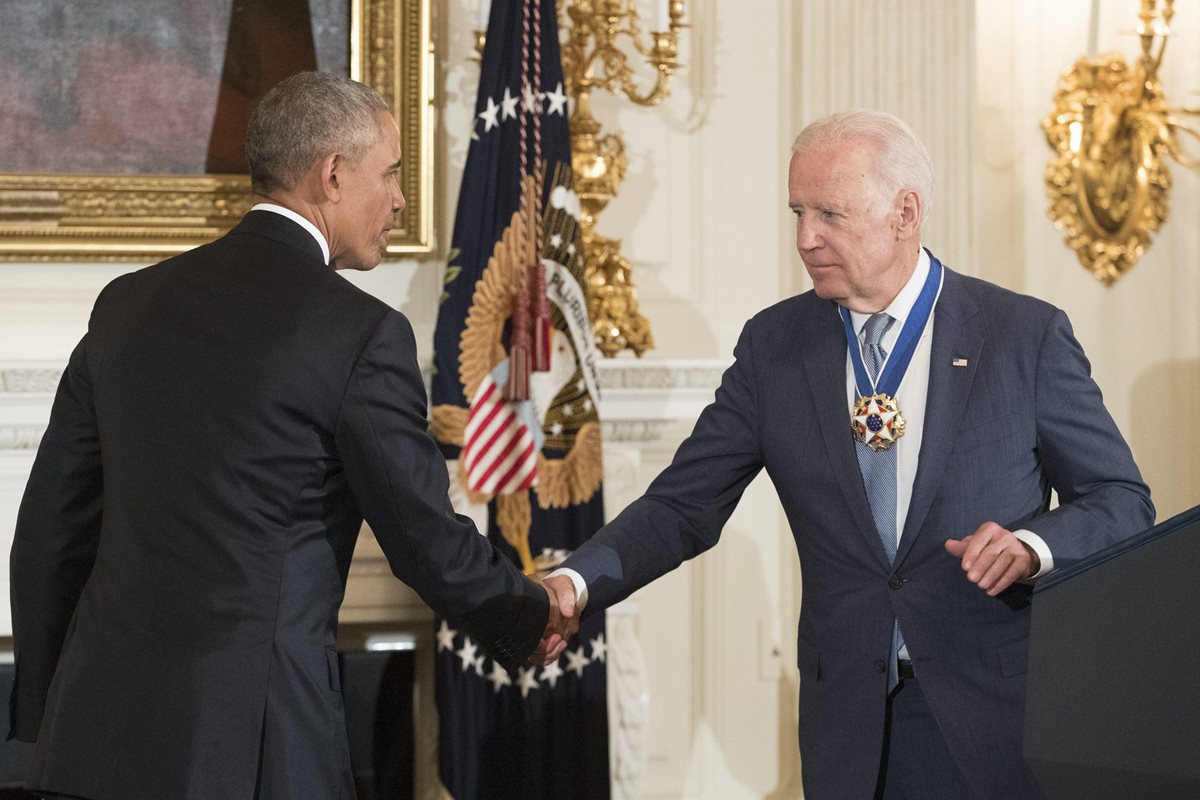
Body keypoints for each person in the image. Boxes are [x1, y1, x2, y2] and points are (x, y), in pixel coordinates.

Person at [544, 110, 1154, 800]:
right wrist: (575, 583)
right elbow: (682, 505)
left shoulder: (1023, 335)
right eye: (797, 212)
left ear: (905, 213)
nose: (806, 238)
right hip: (851, 732)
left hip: (997, 722)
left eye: (830, 213)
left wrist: (1030, 546)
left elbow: (1121, 501)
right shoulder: (774, 347)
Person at [9, 71, 572, 800]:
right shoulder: (359, 333)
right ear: (333, 175)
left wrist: (40, 722)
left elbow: (50, 537)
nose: (400, 198)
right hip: (257, 751)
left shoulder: (125, 307)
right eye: (392, 174)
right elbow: (425, 540)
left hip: (91, 743)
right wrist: (529, 612)